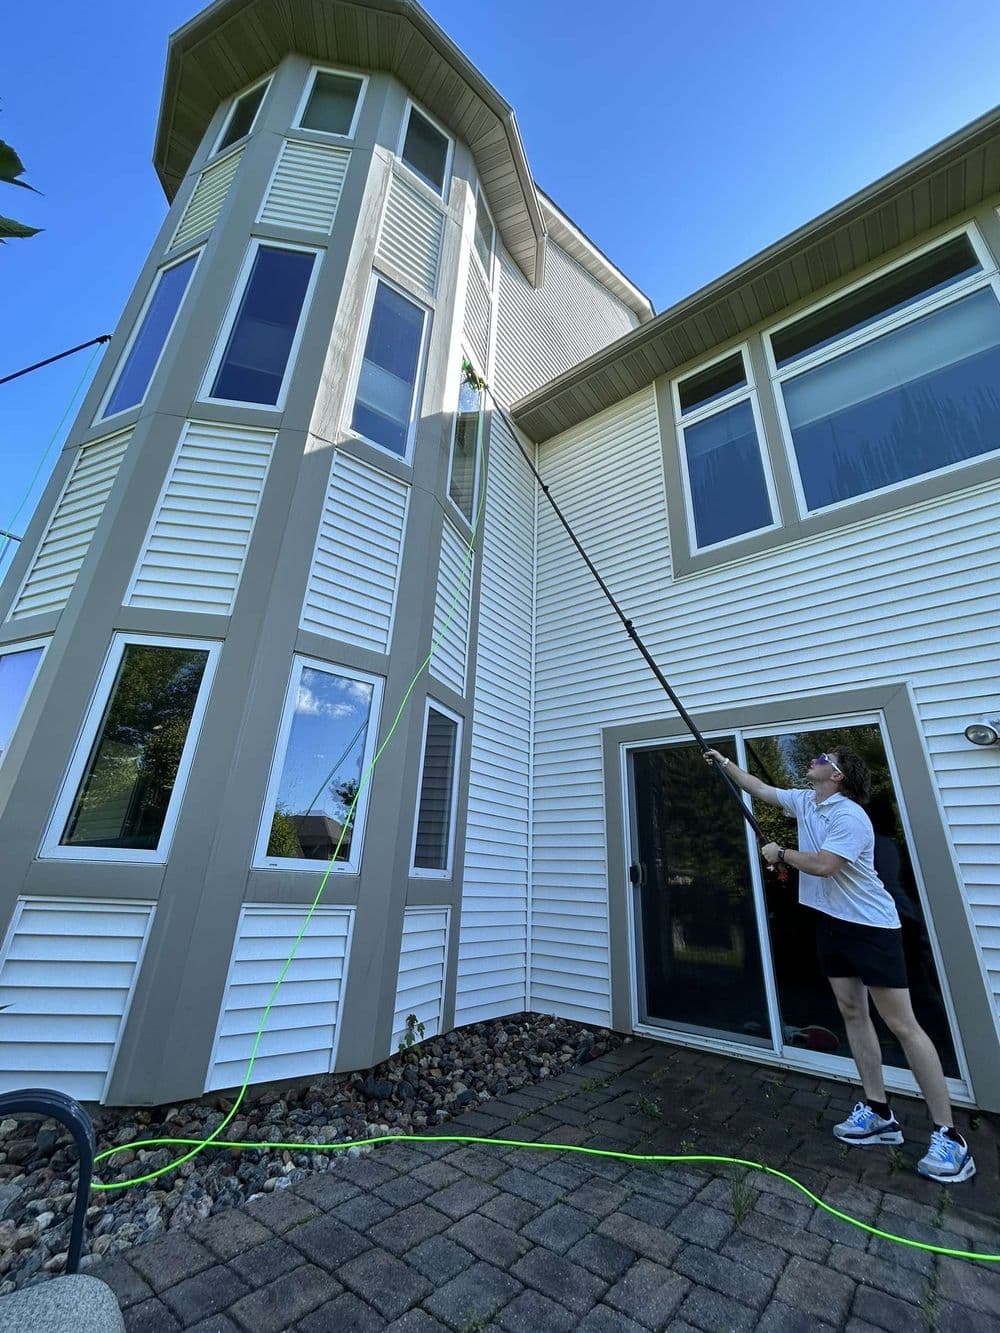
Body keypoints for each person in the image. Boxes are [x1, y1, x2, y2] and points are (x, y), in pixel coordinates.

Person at [702, 745, 975, 1184]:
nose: (814, 760)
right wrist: (724, 763)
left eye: (824, 759)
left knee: (902, 1025)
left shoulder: (849, 816)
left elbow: (826, 865)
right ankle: (879, 1113)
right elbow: (760, 789)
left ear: (839, 776)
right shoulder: (807, 800)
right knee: (853, 1013)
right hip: (832, 926)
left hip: (872, 930)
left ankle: (949, 1136)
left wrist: (783, 854)